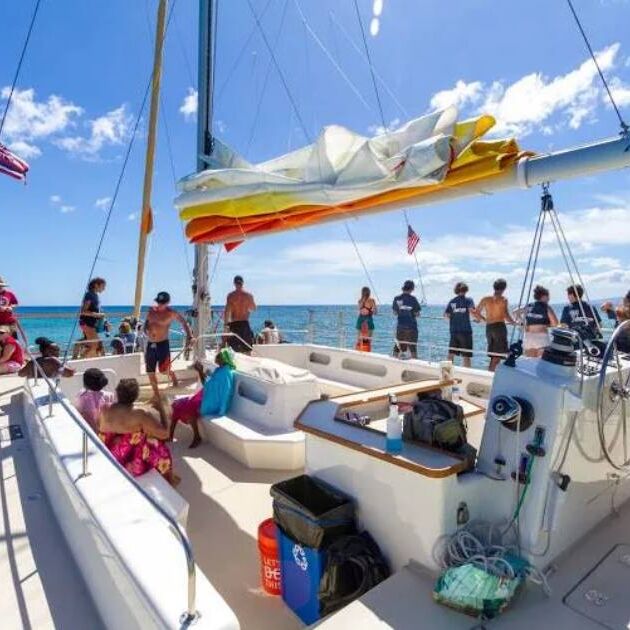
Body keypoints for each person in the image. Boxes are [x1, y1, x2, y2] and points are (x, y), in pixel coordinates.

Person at [99, 378, 176, 484]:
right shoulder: (140, 414)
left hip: (108, 456)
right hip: (130, 460)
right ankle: (169, 481)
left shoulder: (105, 408)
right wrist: (161, 409)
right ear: (135, 396)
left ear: (117, 393)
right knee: (161, 448)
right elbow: (165, 434)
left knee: (135, 436)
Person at [170, 348, 236, 448]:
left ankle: (197, 436)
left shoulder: (225, 373)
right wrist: (204, 373)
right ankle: (170, 435)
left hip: (212, 403)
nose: (216, 357)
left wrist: (200, 372)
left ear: (224, 359)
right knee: (176, 404)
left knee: (189, 410)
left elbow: (222, 392)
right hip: (206, 396)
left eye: (219, 356)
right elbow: (210, 385)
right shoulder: (220, 370)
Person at [144, 291, 193, 399]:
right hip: (150, 344)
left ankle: (173, 377)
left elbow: (184, 323)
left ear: (167, 303)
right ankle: (156, 395)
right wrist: (145, 329)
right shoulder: (151, 310)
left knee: (163, 370)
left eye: (163, 303)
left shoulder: (171, 313)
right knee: (150, 372)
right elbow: (147, 322)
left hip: (163, 344)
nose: (160, 305)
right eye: (159, 302)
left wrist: (190, 336)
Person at [476, 279, 515, 371]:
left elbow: (476, 312)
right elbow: (506, 315)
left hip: (489, 327)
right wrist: (514, 322)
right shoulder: (503, 299)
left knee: (493, 354)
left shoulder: (485, 299)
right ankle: (492, 374)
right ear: (504, 288)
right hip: (499, 327)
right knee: (498, 355)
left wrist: (484, 319)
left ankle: (490, 373)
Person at [514, 285, 558, 358]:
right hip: (542, 338)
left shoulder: (529, 306)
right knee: (542, 363)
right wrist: (548, 325)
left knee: (529, 362)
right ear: (544, 296)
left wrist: (522, 323)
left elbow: (515, 312)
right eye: (548, 296)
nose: (549, 298)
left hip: (529, 337)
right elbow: (555, 324)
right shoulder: (547, 307)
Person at [444, 282, 478, 368]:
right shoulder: (468, 300)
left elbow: (446, 315)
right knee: (466, 356)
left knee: (451, 354)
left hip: (454, 331)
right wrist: (478, 319)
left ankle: (446, 374)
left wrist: (454, 318)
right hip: (465, 331)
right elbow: (472, 311)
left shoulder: (452, 301)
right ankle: (467, 376)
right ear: (466, 290)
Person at [224, 275, 256, 354]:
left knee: (234, 350)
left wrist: (225, 325)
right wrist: (247, 310)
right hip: (244, 323)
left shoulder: (231, 296)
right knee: (247, 349)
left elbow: (227, 311)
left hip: (234, 324)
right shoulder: (249, 296)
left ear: (234, 283)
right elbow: (254, 308)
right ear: (243, 283)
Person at [78, 277, 109, 358]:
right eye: (103, 286)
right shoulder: (90, 295)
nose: (104, 289)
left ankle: (84, 358)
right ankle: (80, 360)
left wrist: (104, 321)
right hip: (86, 323)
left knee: (95, 344)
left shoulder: (95, 295)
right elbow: (83, 311)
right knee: (95, 344)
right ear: (96, 285)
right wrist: (97, 315)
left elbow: (96, 311)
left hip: (90, 324)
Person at [392, 280, 421, 359]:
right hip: (411, 327)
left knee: (397, 347)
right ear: (412, 289)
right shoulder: (413, 299)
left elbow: (395, 313)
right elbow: (417, 314)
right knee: (413, 348)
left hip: (401, 326)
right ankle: (415, 367)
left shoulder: (397, 298)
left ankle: (393, 364)